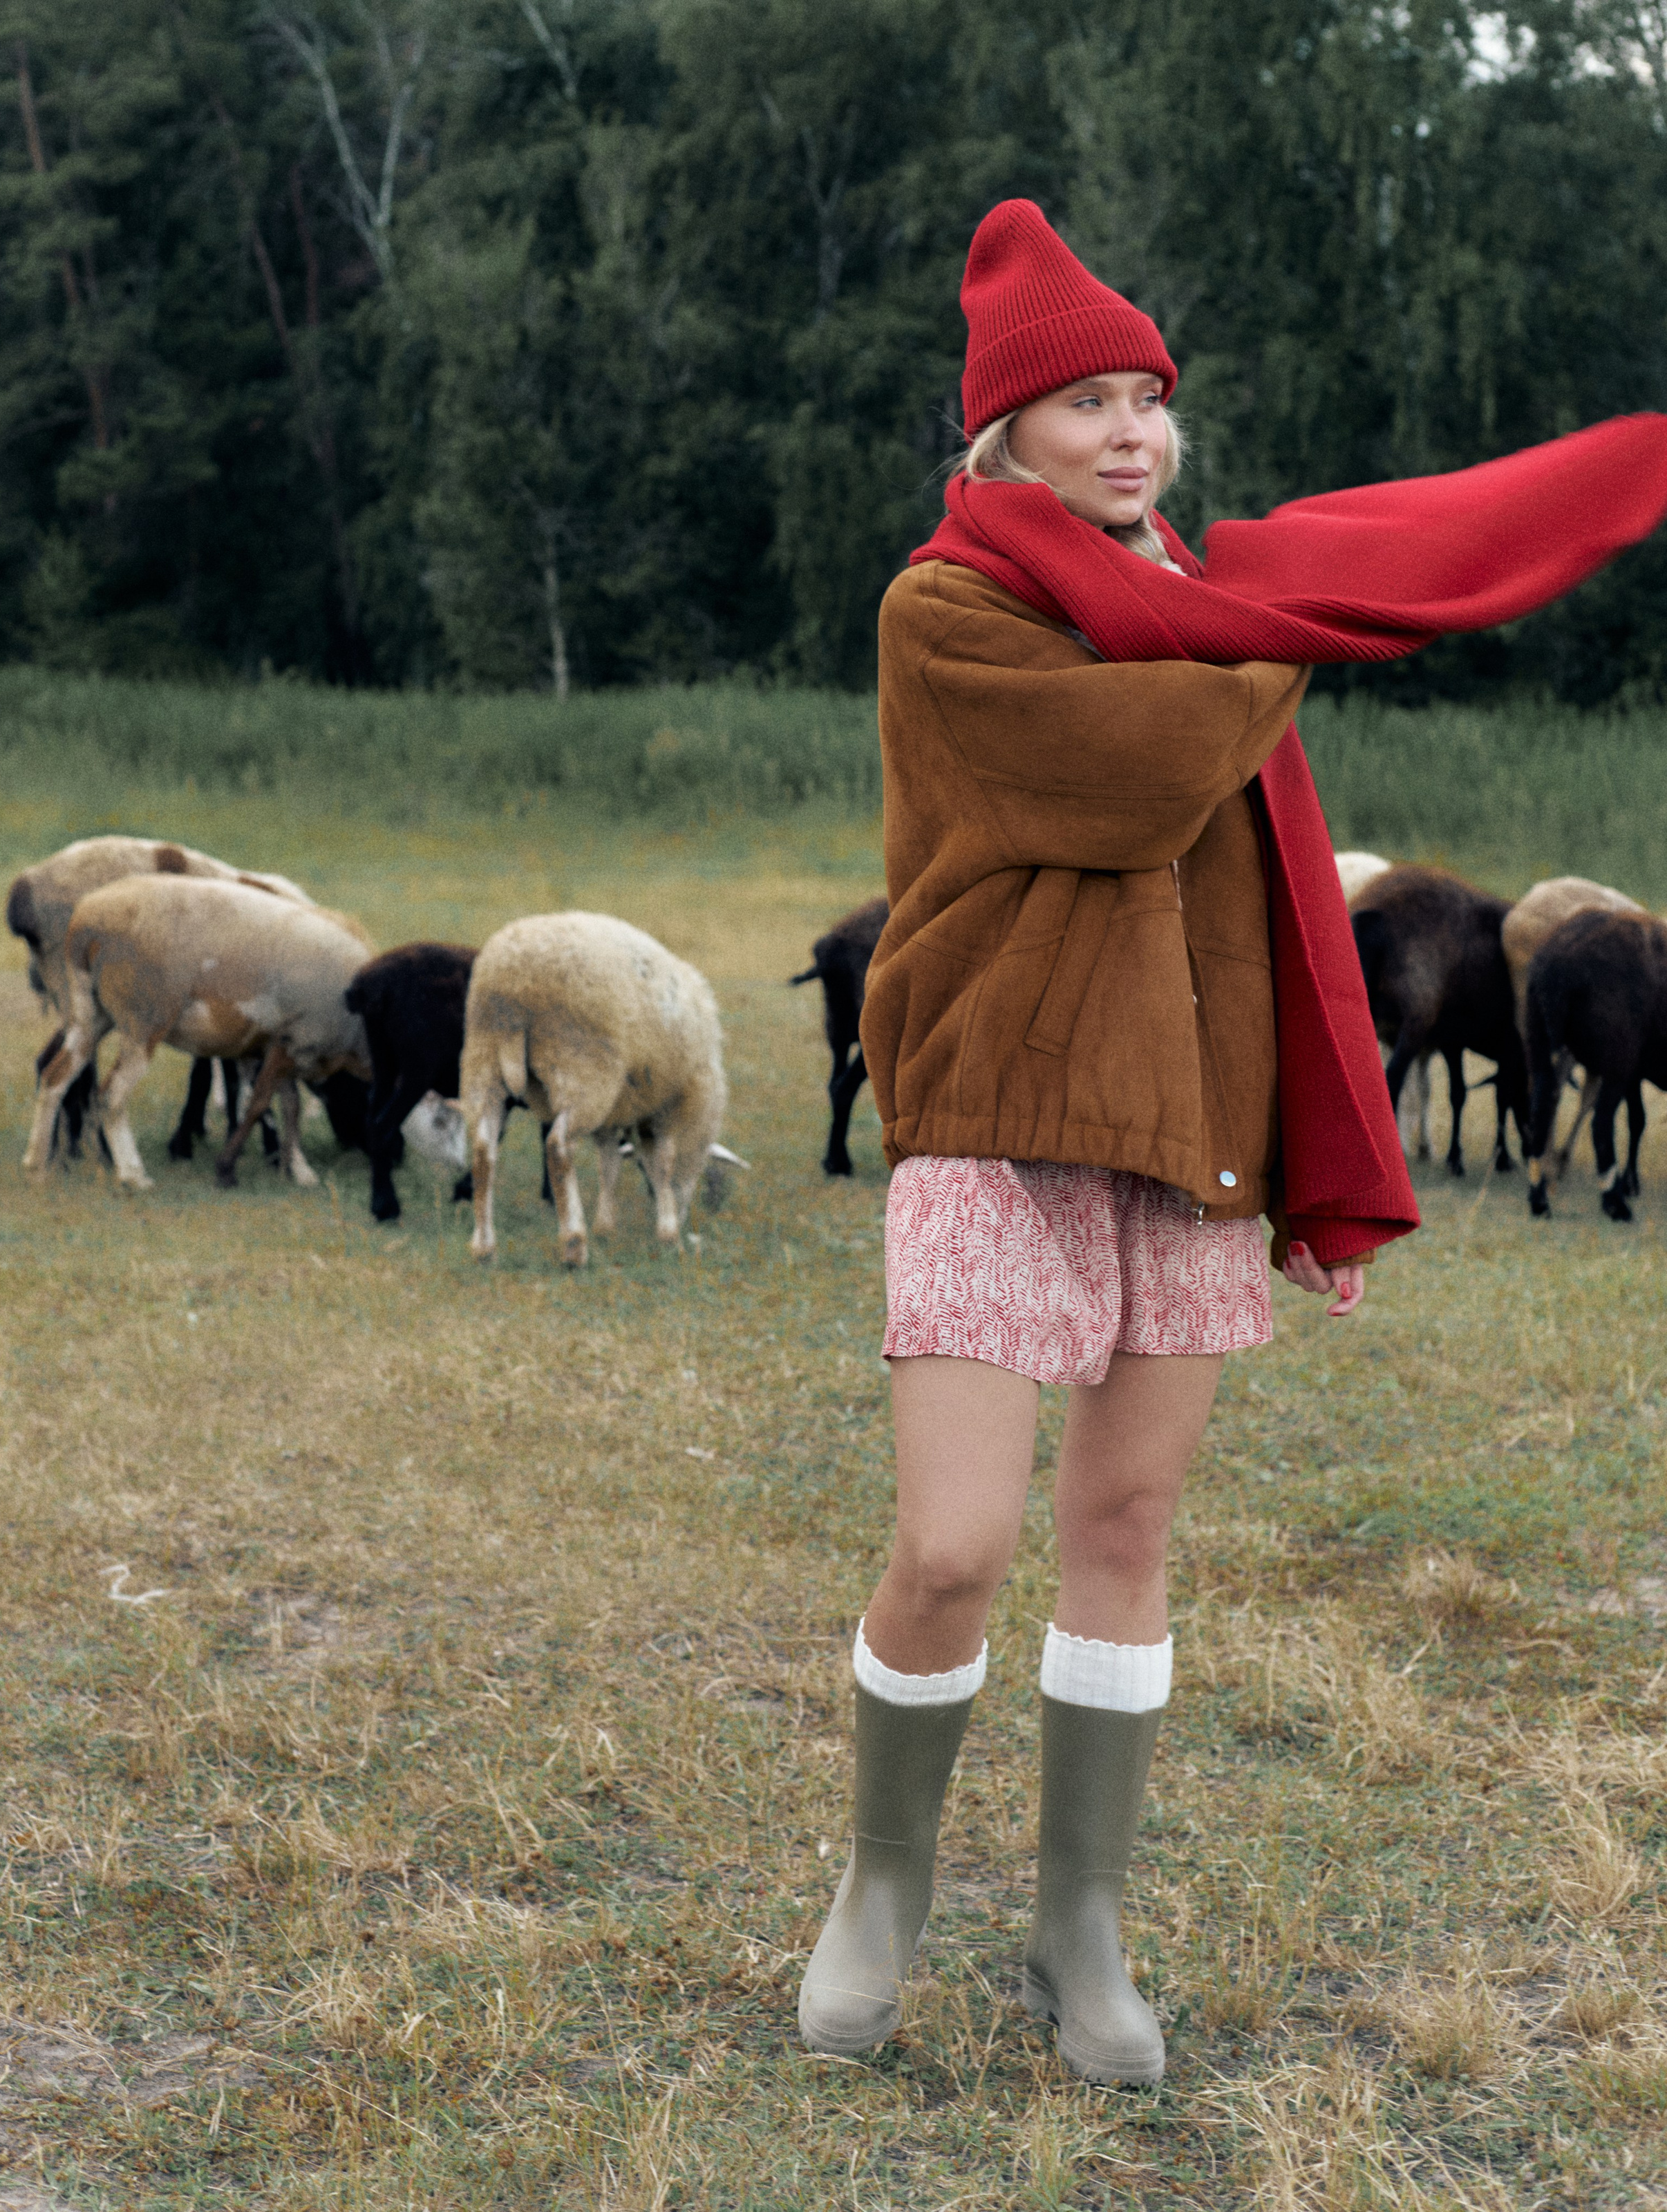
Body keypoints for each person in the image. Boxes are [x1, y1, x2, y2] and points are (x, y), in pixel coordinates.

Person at [796, 200, 1408, 2088]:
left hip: (1191, 1127)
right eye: (1088, 403)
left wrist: (1309, 1143)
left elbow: (1266, 902)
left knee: (1125, 1530)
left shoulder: (1209, 615)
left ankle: (1081, 1926)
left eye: (1152, 399)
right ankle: (880, 1890)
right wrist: (1294, 620)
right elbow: (1135, 782)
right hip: (996, 1104)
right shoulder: (952, 607)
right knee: (958, 1542)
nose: (1134, 432)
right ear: (1005, 440)